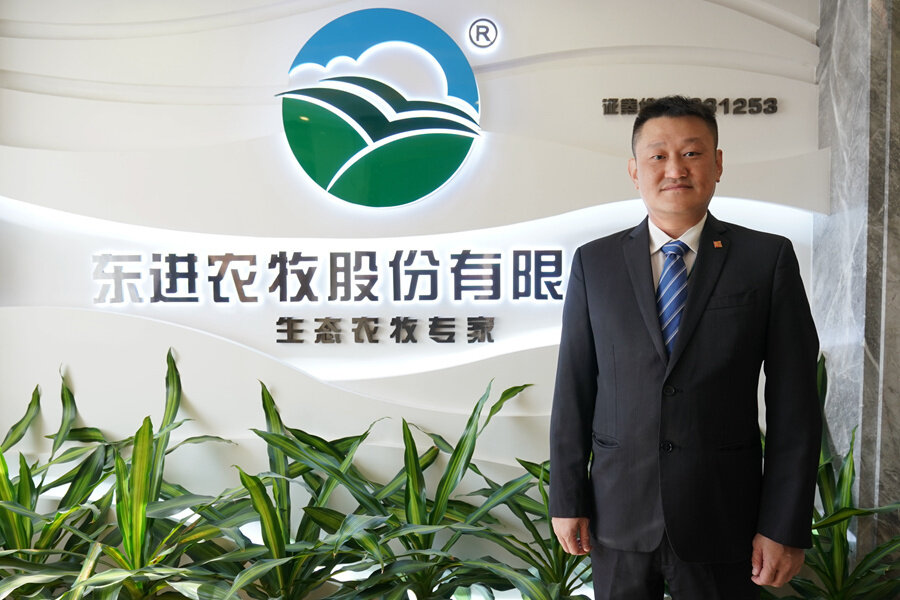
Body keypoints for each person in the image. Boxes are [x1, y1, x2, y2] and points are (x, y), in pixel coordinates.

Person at [549, 96, 821, 600]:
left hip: (724, 515)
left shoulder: (766, 259)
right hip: (618, 513)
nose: (675, 169)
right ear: (635, 171)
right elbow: (573, 389)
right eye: (658, 156)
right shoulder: (595, 264)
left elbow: (796, 406)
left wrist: (784, 525)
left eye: (692, 154)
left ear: (717, 164)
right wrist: (566, 499)